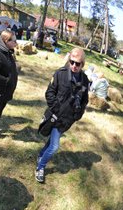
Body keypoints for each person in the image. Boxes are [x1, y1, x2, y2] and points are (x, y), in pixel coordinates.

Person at [35, 48, 89, 183]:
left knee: (52, 141)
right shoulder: (60, 74)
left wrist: (78, 115)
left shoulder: (85, 80)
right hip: (55, 116)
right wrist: (56, 109)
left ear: (83, 64)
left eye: (78, 64)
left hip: (68, 120)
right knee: (54, 146)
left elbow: (84, 100)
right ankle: (40, 167)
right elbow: (49, 93)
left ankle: (41, 155)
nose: (74, 66)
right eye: (72, 62)